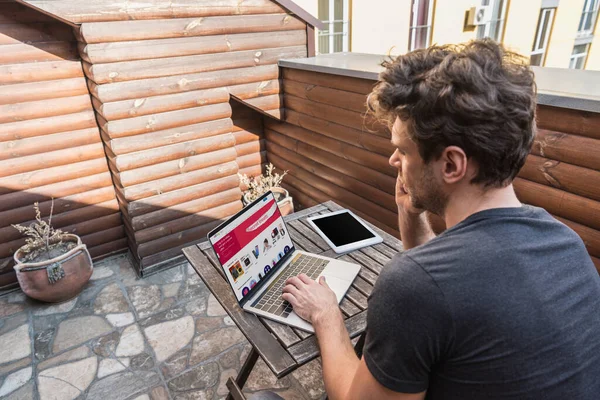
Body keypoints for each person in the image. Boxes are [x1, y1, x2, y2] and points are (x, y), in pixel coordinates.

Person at [280, 40, 600, 400]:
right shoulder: (567, 244)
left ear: (451, 164)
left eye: (402, 150)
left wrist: (326, 316)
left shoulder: (412, 289)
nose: (393, 161)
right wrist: (409, 212)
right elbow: (450, 286)